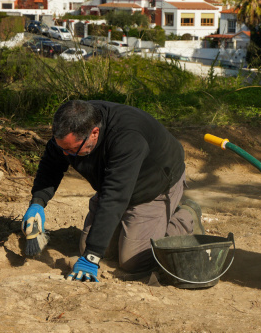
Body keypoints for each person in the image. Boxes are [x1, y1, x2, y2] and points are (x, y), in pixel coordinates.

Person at [22, 99, 203, 282]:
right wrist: (38, 203)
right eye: (63, 149)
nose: (66, 155)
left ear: (94, 133)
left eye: (73, 150)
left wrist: (92, 257)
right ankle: (130, 230)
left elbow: (115, 196)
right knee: (88, 247)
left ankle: (184, 217)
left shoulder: (127, 137)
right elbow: (51, 164)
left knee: (133, 261)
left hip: (153, 185)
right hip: (114, 183)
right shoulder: (71, 126)